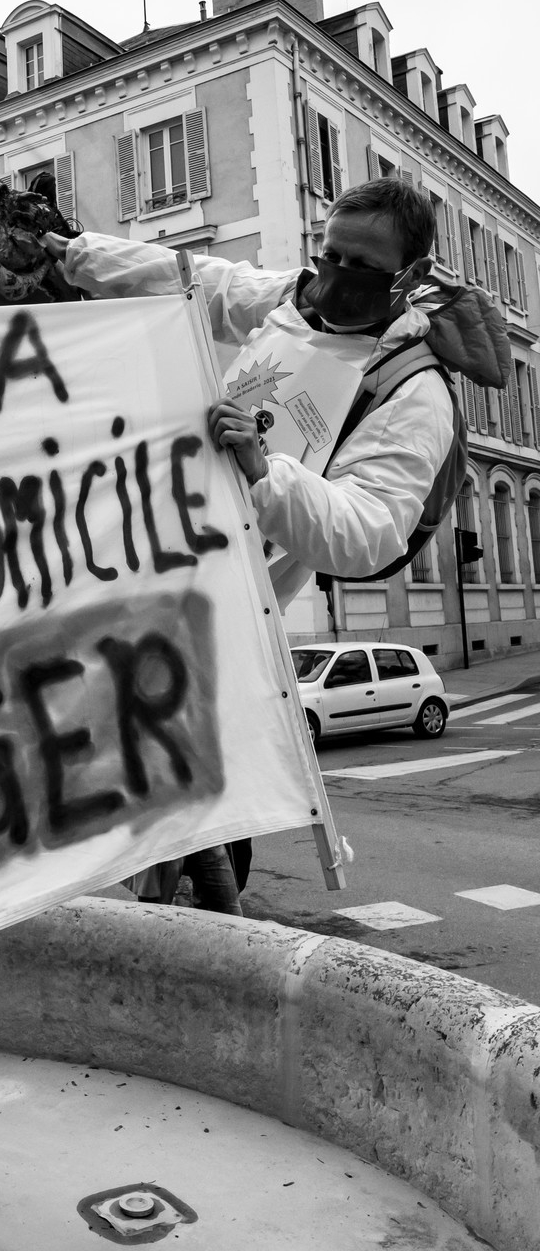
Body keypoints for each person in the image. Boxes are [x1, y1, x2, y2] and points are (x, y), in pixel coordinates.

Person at [46, 176, 454, 910]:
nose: (336, 278)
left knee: (189, 793)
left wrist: (265, 473)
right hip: (151, 563)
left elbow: (368, 534)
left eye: (363, 267)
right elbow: (198, 281)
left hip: (229, 612)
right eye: (330, 255)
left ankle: (198, 931)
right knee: (147, 788)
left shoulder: (411, 393)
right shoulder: (288, 301)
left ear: (412, 276)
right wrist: (74, 258)